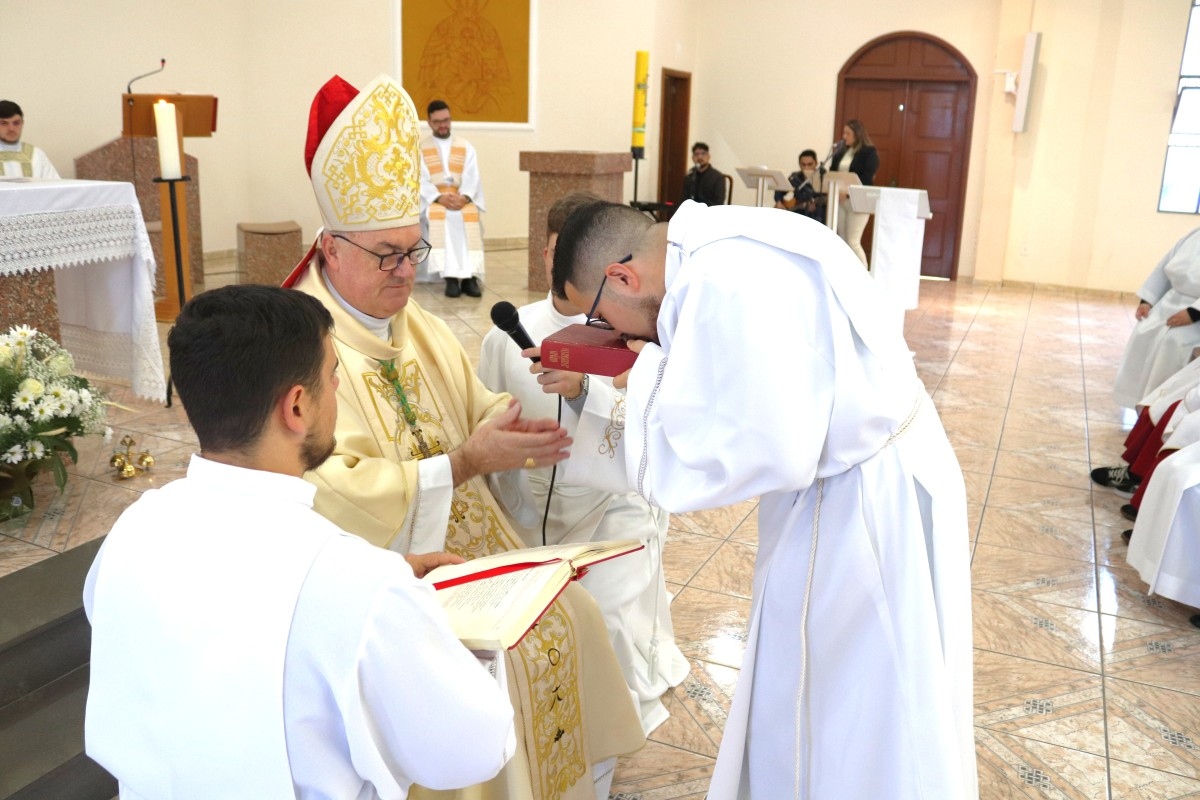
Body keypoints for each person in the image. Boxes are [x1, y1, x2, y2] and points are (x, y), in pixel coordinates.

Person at [285, 73, 644, 800]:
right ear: (330, 247)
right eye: (387, 255)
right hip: (392, 567)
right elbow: (322, 486)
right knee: (485, 659)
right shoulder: (297, 340)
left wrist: (502, 426)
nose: (406, 271)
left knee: (570, 611)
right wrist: (461, 463)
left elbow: (472, 398)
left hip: (473, 540)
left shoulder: (408, 318)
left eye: (412, 250)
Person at [550, 199, 978, 799]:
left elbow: (765, 443)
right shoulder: (725, 238)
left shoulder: (720, 278)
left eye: (599, 317)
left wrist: (639, 375)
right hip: (870, 474)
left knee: (854, 694)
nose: (610, 335)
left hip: (861, 508)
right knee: (867, 684)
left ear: (622, 277)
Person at [83, 285, 515, 798]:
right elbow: (471, 751)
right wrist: (425, 625)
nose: (337, 390)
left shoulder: (132, 530)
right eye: (334, 377)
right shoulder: (358, 585)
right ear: (296, 407)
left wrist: (384, 586)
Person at [478, 191, 690, 735]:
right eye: (554, 250)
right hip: (533, 505)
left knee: (610, 621)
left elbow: (653, 414)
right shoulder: (512, 328)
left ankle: (613, 726)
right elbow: (486, 404)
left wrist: (583, 392)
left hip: (612, 501)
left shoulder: (640, 325)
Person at [1112, 226, 1200, 409]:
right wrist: (1147, 301)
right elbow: (1162, 269)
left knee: (1173, 342)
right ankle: (1139, 401)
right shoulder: (1193, 235)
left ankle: (1161, 410)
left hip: (1195, 317)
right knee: (1145, 330)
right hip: (1169, 303)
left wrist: (1194, 312)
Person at [419, 99, 486, 297]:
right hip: (437, 200)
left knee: (468, 215)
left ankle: (469, 278)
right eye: (438, 121)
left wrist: (464, 196)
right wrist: (439, 197)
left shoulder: (465, 147)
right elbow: (419, 179)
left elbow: (472, 176)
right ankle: (450, 278)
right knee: (444, 216)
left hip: (460, 198)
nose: (443, 125)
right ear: (429, 122)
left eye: (446, 120)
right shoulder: (420, 148)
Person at [829, 119, 879, 265]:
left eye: (848, 133)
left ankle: (863, 277)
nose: (844, 136)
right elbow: (833, 173)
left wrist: (848, 192)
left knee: (853, 241)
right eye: (843, 133)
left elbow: (867, 178)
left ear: (857, 134)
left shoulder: (869, 152)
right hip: (840, 200)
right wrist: (838, 191)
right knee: (843, 240)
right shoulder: (840, 152)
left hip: (858, 201)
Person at [0, 100, 60, 179]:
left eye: (16, 123)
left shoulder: (36, 154)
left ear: (22, 123)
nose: (11, 128)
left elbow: (54, 186)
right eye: (4, 123)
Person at [773, 148, 825, 223]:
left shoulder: (823, 178)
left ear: (816, 163)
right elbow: (780, 190)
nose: (806, 167)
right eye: (803, 165)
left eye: (810, 164)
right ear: (799, 164)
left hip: (816, 216)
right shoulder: (796, 177)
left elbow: (826, 198)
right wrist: (778, 201)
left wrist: (816, 206)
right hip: (797, 212)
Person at [680, 141, 727, 206]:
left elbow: (718, 203)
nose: (700, 157)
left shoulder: (718, 177)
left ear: (708, 157)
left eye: (703, 154)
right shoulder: (689, 176)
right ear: (693, 158)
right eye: (696, 154)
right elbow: (684, 199)